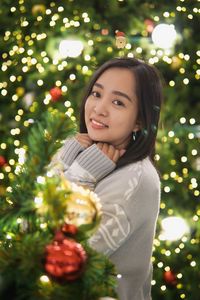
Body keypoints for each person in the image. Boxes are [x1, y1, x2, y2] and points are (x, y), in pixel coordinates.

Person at [52, 57, 163, 300]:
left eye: (118, 102)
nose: (99, 108)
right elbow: (26, 219)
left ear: (139, 121)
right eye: (96, 94)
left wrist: (79, 176)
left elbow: (61, 255)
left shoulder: (136, 180)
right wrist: (64, 163)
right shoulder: (82, 152)